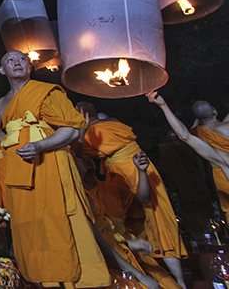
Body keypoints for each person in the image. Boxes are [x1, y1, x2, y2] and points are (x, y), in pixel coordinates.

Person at [0, 50, 110, 288]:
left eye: (22, 59)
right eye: (10, 60)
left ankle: (82, 281)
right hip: (20, 169)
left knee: (61, 219)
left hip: (50, 163)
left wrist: (39, 145)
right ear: (2, 70)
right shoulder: (2, 103)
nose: (16, 63)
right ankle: (47, 280)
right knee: (31, 224)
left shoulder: (45, 92)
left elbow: (69, 130)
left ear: (30, 67)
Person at [77, 101, 186, 288]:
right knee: (127, 221)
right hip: (123, 171)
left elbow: (76, 153)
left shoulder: (91, 133)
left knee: (159, 220)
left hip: (135, 168)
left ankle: (180, 281)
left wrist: (79, 129)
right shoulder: (112, 121)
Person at [78, 153, 179, 289]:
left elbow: (143, 197)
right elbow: (99, 240)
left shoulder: (109, 189)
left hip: (131, 252)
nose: (87, 159)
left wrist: (141, 171)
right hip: (111, 259)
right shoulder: (81, 198)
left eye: (87, 157)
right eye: (80, 158)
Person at [147, 91, 229, 219]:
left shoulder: (220, 159)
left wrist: (164, 106)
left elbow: (185, 136)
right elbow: (185, 136)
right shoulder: (222, 159)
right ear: (214, 111)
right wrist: (163, 106)